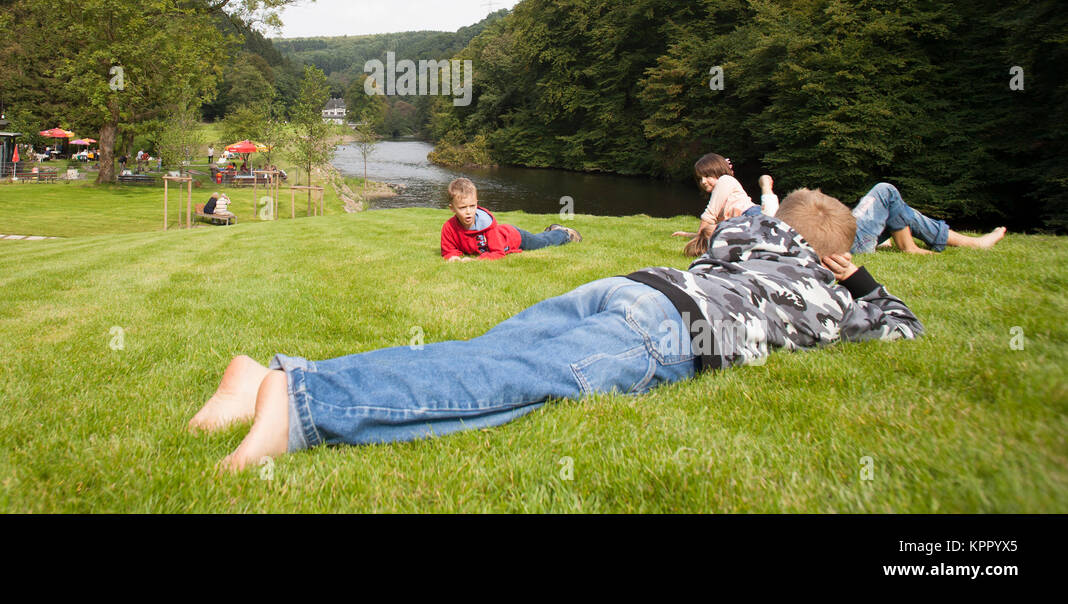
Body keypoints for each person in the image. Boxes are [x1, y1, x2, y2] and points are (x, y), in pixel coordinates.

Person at [189, 188, 923, 472]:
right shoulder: (823, 291)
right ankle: (302, 402)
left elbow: (748, 225)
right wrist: (852, 277)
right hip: (675, 330)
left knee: (486, 353)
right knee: (511, 381)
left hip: (630, 289)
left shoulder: (747, 238)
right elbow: (900, 329)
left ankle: (261, 377)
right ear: (831, 254)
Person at [440, 177, 580, 261]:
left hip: (514, 238)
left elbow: (498, 253)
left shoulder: (487, 224)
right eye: (463, 208)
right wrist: (453, 257)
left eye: (472, 206)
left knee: (543, 242)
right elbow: (448, 250)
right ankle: (554, 229)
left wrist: (477, 260)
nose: (469, 212)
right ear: (452, 208)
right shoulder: (449, 228)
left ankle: (564, 233)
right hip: (507, 236)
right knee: (540, 238)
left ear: (477, 202)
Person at [847, 182, 1005, 255]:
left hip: (841, 238)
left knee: (899, 211)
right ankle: (910, 248)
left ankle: (974, 243)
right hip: (846, 242)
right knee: (886, 191)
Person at [677, 153, 769, 257]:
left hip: (752, 216)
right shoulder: (720, 194)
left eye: (707, 176)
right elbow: (712, 228)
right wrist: (691, 235)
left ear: (719, 171)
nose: (703, 182)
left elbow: (709, 215)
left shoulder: (724, 180)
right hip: (743, 223)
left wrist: (698, 240)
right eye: (700, 178)